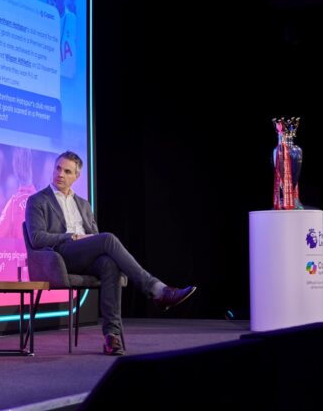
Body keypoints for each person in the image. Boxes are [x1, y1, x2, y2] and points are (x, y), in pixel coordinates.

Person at [25, 151, 196, 356]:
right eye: (58, 168)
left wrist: (87, 240)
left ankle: (111, 336)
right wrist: (69, 237)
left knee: (109, 264)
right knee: (108, 239)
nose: (60, 174)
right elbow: (36, 238)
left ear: (76, 177)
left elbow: (95, 237)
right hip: (60, 257)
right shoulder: (37, 200)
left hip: (85, 255)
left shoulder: (83, 204)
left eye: (67, 171)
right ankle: (157, 290)